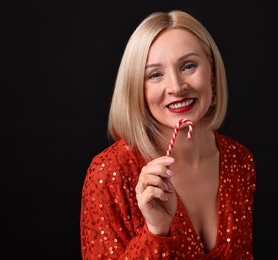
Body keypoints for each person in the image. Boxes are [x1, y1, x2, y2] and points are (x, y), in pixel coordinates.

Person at [80, 9, 256, 259]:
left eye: (189, 66)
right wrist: (155, 230)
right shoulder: (110, 172)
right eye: (155, 74)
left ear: (213, 73)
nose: (177, 86)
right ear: (136, 89)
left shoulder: (239, 160)